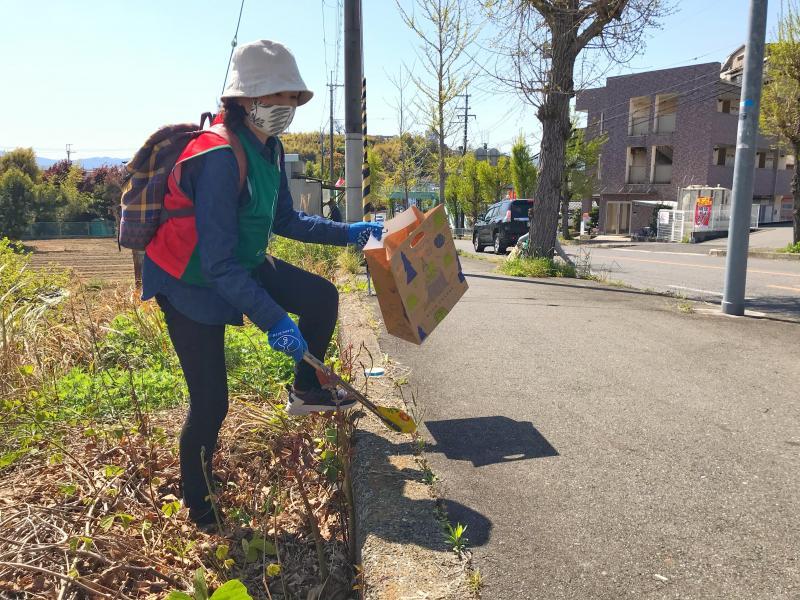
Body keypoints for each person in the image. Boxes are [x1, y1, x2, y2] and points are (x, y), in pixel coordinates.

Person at [141, 40, 382, 530]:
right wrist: (273, 319)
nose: (287, 109)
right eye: (278, 98)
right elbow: (217, 264)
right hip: (190, 281)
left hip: (238, 261)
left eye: (292, 99)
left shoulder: (270, 149)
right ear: (244, 100)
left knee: (321, 297)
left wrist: (349, 234)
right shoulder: (216, 157)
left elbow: (287, 222)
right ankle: (200, 506)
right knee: (211, 402)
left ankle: (307, 390)